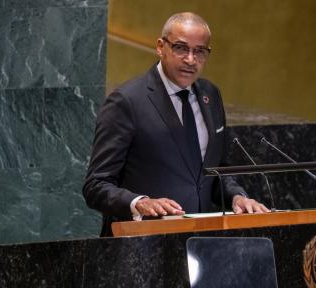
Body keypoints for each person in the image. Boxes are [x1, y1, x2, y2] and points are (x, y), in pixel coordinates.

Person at [83, 12, 269, 236]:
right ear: (161, 47)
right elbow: (96, 185)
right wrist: (139, 203)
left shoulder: (211, 95)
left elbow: (215, 172)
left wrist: (237, 197)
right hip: (143, 246)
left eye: (199, 51)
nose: (191, 60)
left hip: (200, 245)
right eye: (181, 48)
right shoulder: (127, 101)